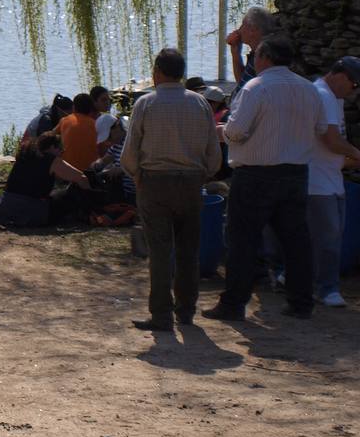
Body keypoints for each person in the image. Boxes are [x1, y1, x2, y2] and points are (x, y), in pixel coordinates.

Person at [204, 35, 328, 321]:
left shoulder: (256, 88)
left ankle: (234, 302)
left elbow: (236, 132)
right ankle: (301, 302)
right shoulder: (309, 90)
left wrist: (221, 130)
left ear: (265, 57)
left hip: (256, 174)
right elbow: (320, 128)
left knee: (242, 240)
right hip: (296, 173)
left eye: (256, 55)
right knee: (296, 240)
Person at [120, 48, 221, 331]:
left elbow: (129, 153)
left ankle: (161, 314)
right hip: (191, 182)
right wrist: (202, 175)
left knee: (160, 251)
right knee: (189, 250)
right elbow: (214, 154)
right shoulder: (200, 103)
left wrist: (137, 176)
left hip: (155, 182)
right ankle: (186, 310)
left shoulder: (146, 104)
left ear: (157, 72)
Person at [306, 57, 360, 308]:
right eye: (354, 83)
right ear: (340, 75)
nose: (354, 90)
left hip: (330, 178)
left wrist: (349, 159)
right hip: (318, 182)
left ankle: (315, 283)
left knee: (330, 236)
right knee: (327, 238)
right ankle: (326, 288)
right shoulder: (324, 96)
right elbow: (331, 140)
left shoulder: (334, 99)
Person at [0, 132, 92, 226]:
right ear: (52, 147)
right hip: (31, 212)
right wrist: (90, 197)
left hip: (4, 207)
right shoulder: (51, 160)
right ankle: (89, 214)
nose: (61, 152)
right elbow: (82, 178)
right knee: (68, 194)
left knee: (55, 194)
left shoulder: (25, 155)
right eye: (60, 149)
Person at [226, 6, 276, 90]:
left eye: (243, 25)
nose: (239, 30)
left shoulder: (264, 57)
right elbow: (242, 82)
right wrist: (235, 53)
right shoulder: (255, 53)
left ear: (252, 30)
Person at [57, 93, 99, 171]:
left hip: (67, 168)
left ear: (74, 107)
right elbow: (103, 149)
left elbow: (49, 135)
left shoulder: (64, 120)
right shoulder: (96, 124)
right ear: (91, 108)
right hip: (90, 170)